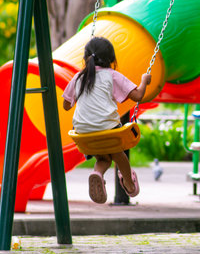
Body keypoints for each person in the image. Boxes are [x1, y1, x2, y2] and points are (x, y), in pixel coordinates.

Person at [62, 37, 151, 204]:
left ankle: (97, 173)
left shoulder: (79, 77)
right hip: (108, 130)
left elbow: (66, 105)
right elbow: (138, 96)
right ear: (112, 60)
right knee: (118, 154)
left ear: (86, 58)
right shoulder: (112, 75)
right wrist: (144, 80)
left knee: (103, 158)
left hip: (83, 134)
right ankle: (129, 183)